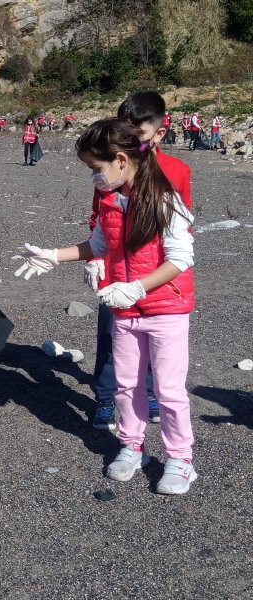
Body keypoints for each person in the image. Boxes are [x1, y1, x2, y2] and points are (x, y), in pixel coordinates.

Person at [13, 117, 197, 495]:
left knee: (168, 390)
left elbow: (180, 258)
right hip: (125, 311)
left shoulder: (165, 198)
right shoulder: (112, 201)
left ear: (121, 161)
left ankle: (180, 459)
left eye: (96, 170)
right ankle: (132, 446)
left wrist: (135, 288)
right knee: (126, 386)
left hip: (165, 310)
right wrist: (53, 255)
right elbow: (97, 245)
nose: (94, 179)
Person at [84, 91, 192, 430]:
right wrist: (95, 259)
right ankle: (105, 398)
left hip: (157, 276)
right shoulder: (112, 168)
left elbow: (183, 228)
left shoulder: (176, 171)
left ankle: (151, 394)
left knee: (156, 339)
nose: (130, 140)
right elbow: (99, 217)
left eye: (138, 133)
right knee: (111, 336)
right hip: (115, 269)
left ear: (159, 133)